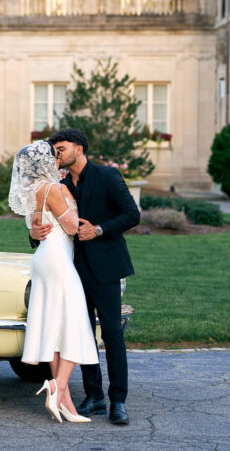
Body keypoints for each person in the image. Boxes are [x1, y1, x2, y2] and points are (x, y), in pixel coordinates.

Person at [29, 128, 140, 425]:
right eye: (55, 150)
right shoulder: (59, 184)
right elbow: (45, 226)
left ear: (79, 149)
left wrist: (99, 229)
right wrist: (34, 234)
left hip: (105, 268)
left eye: (62, 148)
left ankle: (118, 400)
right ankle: (94, 396)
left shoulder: (107, 176)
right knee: (82, 334)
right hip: (71, 270)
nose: (57, 154)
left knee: (112, 334)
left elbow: (132, 214)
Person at [9, 140, 99, 423]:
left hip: (43, 259)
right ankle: (57, 385)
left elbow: (36, 228)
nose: (58, 158)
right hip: (58, 260)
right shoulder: (55, 189)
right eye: (54, 155)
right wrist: (74, 204)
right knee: (74, 321)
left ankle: (66, 404)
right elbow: (71, 227)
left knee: (53, 324)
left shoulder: (34, 191)